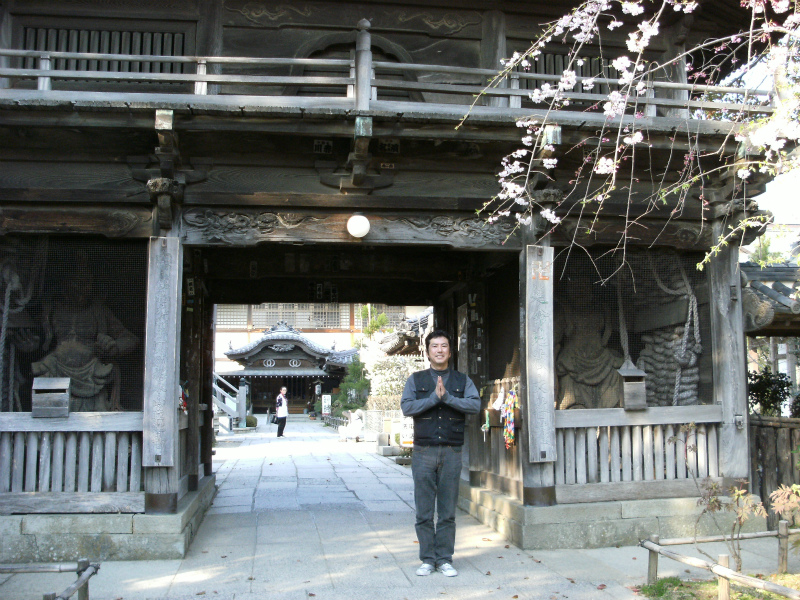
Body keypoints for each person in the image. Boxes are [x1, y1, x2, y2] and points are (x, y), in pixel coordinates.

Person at [401, 329, 480, 578]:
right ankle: (428, 559)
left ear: (450, 351)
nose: (439, 350)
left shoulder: (462, 380)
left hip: (451, 451)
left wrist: (448, 398)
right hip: (423, 451)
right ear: (428, 351)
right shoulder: (416, 379)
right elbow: (407, 407)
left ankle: (444, 559)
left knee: (447, 511)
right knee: (424, 512)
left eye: (444, 346)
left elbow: (474, 405)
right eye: (434, 346)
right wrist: (434, 398)